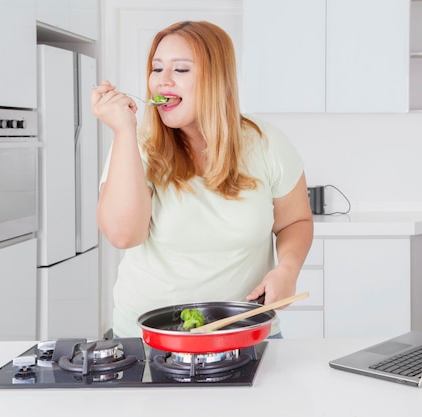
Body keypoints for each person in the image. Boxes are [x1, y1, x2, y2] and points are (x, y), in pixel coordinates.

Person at [90, 20, 314, 338]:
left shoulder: (266, 142)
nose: (162, 81)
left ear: (216, 79)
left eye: (180, 70)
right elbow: (123, 235)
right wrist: (124, 131)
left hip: (245, 332)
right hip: (147, 339)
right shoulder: (135, 145)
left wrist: (287, 269)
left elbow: (296, 222)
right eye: (156, 69)